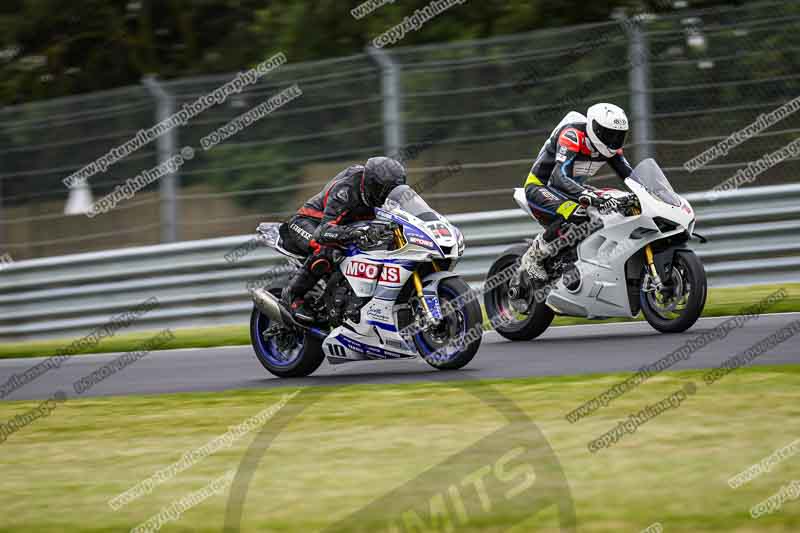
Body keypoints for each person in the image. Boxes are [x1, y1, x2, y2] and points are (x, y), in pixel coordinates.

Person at [280, 156, 407, 322]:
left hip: (344, 226)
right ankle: (292, 295)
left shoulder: (386, 198)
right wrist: (355, 232)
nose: (387, 195)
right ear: (372, 185)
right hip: (308, 223)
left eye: (392, 190)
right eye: (384, 190)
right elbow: (323, 232)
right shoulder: (346, 191)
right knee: (325, 248)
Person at [521, 103, 634, 280]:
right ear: (595, 128)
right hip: (542, 187)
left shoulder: (611, 148)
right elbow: (559, 176)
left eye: (619, 136)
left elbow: (629, 175)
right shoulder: (573, 135)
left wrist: (651, 193)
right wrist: (586, 194)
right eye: (609, 134)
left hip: (570, 190)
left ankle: (577, 258)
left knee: (614, 208)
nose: (613, 140)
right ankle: (534, 255)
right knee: (578, 213)